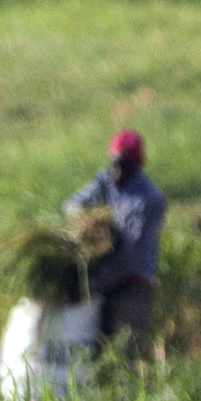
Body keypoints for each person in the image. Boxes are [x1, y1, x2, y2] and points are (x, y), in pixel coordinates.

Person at [65, 129, 167, 359]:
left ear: (136, 165)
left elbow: (130, 258)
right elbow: (73, 205)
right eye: (114, 162)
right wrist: (86, 222)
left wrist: (90, 286)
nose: (116, 169)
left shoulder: (149, 200)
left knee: (123, 354)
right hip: (105, 280)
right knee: (96, 353)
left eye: (122, 164)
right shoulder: (107, 180)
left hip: (132, 285)